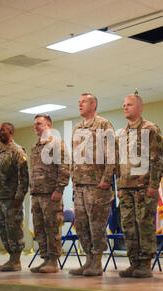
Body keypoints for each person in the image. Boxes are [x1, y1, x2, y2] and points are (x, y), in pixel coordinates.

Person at [116, 94, 163, 278]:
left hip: (144, 187)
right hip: (126, 188)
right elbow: (119, 162)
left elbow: (158, 159)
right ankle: (134, 262)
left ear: (140, 107)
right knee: (128, 227)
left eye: (129, 104)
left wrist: (154, 184)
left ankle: (145, 264)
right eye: (124, 105)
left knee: (144, 225)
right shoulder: (122, 134)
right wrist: (119, 186)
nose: (125, 107)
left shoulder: (150, 129)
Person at [69, 93, 115, 277]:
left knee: (96, 226)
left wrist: (107, 178)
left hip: (98, 185)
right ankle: (88, 260)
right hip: (80, 186)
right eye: (78, 101)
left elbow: (112, 153)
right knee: (81, 225)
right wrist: (73, 178)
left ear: (94, 104)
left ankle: (96, 262)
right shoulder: (77, 128)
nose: (79, 104)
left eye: (84, 101)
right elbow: (74, 156)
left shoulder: (104, 125)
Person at [29, 114, 70, 273]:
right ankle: (45, 258)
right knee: (39, 229)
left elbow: (64, 167)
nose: (36, 126)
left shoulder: (56, 143)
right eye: (34, 124)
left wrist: (59, 189)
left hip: (50, 194)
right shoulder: (36, 147)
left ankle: (53, 261)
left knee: (51, 227)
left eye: (39, 124)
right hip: (37, 194)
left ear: (48, 125)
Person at [0, 122, 29, 272]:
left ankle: (16, 260)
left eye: (3, 130)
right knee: (4, 230)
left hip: (11, 199)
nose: (0, 132)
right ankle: (11, 258)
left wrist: (19, 198)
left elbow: (24, 178)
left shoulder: (17, 151)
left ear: (11, 132)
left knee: (14, 229)